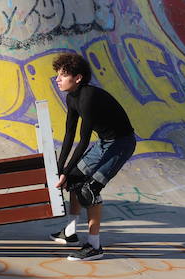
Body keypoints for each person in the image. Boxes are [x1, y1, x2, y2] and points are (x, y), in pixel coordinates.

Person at [48, 52, 136, 261]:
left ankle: (94, 246)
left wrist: (66, 170)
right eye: (57, 75)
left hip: (121, 144)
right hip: (105, 143)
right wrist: (62, 169)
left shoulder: (88, 98)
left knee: (90, 190)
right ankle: (70, 233)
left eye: (63, 75)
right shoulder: (72, 97)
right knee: (74, 180)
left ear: (77, 78)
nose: (57, 79)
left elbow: (84, 140)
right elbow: (69, 135)